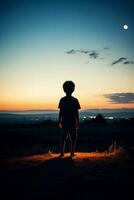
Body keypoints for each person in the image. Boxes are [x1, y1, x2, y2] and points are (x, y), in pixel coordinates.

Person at [58, 81, 81, 157]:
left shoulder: (62, 100)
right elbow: (76, 113)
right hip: (72, 121)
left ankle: (62, 153)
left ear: (64, 89)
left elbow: (61, 112)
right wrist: (78, 121)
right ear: (73, 89)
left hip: (65, 121)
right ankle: (72, 153)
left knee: (63, 138)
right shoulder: (75, 100)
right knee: (73, 138)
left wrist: (59, 120)